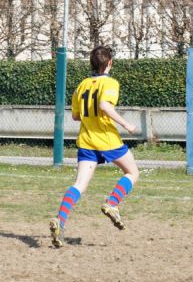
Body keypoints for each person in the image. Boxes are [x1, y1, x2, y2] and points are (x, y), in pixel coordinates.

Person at [49, 46, 139, 248]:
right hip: (106, 139)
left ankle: (60, 220)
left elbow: (75, 116)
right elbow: (105, 106)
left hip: (86, 140)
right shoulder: (111, 83)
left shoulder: (82, 85)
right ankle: (112, 203)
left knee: (79, 185)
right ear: (110, 63)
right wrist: (127, 125)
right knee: (132, 172)